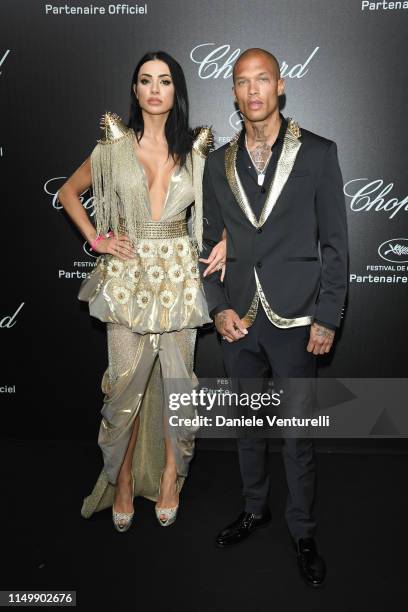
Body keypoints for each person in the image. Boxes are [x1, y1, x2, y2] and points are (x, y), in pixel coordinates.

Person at [58, 51, 226, 531]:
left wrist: (228, 240)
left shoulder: (196, 151)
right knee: (122, 389)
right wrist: (98, 239)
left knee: (178, 386)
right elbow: (69, 192)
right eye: (146, 81)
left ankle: (172, 477)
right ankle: (124, 481)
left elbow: (226, 207)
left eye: (165, 81)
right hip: (127, 279)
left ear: (177, 92)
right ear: (135, 91)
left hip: (178, 279)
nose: (155, 89)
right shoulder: (112, 149)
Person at [199, 48, 348, 587]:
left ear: (281, 86)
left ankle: (302, 530)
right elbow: (206, 245)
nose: (253, 90)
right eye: (243, 82)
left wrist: (327, 316)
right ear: (234, 92)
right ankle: (254, 507)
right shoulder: (216, 162)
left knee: (296, 436)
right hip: (238, 318)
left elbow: (335, 244)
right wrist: (217, 310)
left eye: (263, 79)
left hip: (296, 319)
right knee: (245, 428)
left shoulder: (318, 154)